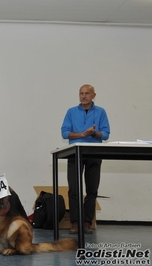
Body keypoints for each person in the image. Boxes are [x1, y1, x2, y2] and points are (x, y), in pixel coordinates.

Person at [61, 84, 110, 234]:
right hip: (74, 152)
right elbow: (65, 133)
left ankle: (87, 222)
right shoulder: (71, 112)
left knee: (92, 189)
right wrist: (82, 135)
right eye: (81, 93)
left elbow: (106, 134)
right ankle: (75, 223)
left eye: (87, 93)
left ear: (94, 95)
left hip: (94, 152)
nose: (83, 96)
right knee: (74, 189)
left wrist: (94, 134)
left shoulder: (101, 112)